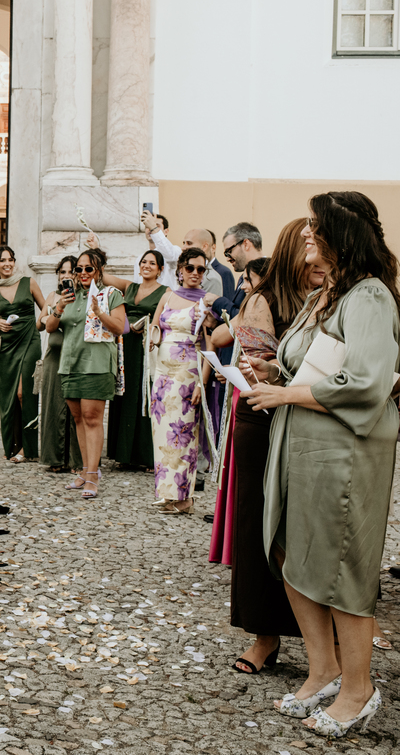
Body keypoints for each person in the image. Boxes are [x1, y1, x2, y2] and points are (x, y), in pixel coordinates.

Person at [244, 192, 400, 737]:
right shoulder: (327, 295)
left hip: (345, 452)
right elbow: (308, 363)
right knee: (293, 554)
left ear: (343, 233)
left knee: (339, 569)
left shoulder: (370, 297)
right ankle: (323, 669)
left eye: (316, 226)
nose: (307, 234)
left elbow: (368, 383)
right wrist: (270, 370)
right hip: (303, 444)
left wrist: (286, 396)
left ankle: (359, 691)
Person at [208, 220, 312, 675]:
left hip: (309, 417)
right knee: (259, 528)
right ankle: (264, 636)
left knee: (306, 531)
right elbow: (253, 368)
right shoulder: (262, 299)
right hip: (263, 417)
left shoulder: (329, 301)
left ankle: (322, 638)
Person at [44, 248, 126, 498]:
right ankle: (83, 471)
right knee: (78, 418)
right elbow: (49, 328)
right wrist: (58, 307)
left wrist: (99, 312)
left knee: (92, 419)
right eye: (78, 269)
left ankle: (93, 475)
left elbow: (120, 328)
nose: (82, 273)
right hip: (70, 364)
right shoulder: (67, 296)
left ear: (99, 271)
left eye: (88, 268)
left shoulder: (111, 294)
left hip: (96, 364)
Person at [147, 247, 217, 514]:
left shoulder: (206, 302)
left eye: (201, 269)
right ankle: (166, 493)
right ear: (180, 270)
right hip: (163, 372)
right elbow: (155, 328)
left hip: (188, 372)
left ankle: (185, 497)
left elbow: (209, 346)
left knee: (183, 434)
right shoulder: (167, 296)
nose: (196, 274)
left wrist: (201, 382)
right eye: (191, 268)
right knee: (162, 431)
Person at [105, 250, 168, 470]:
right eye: (143, 262)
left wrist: (150, 329)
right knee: (124, 393)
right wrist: (98, 247)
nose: (147, 266)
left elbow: (163, 321)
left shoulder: (165, 292)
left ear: (160, 269)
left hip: (146, 349)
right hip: (124, 347)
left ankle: (145, 455)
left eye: (152, 263)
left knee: (144, 396)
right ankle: (122, 453)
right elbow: (102, 275)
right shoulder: (130, 286)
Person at [0, 246, 44, 460]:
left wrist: (40, 325)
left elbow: (45, 310)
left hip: (29, 341)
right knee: (9, 398)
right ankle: (12, 446)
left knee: (23, 394)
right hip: (7, 347)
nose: (7, 264)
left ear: (14, 262)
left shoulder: (29, 283)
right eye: (2, 260)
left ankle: (28, 448)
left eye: (10, 259)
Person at [37, 256, 82, 474]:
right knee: (53, 406)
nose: (66, 276)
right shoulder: (53, 296)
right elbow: (39, 323)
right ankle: (54, 458)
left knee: (75, 408)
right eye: (62, 272)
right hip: (53, 357)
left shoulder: (82, 297)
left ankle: (76, 461)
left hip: (75, 357)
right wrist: (50, 314)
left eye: (71, 272)